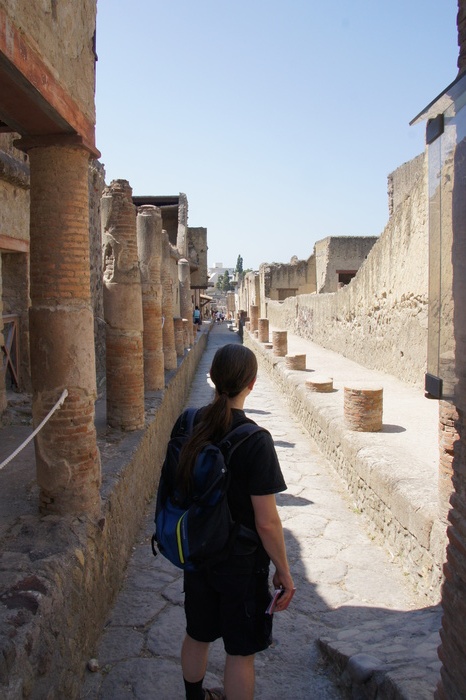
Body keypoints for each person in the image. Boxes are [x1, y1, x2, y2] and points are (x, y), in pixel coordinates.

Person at [172, 344, 294, 700]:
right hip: (240, 563)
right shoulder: (256, 441)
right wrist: (284, 572)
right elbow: (267, 522)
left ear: (211, 378)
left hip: (198, 553)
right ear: (252, 384)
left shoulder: (190, 422)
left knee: (197, 634)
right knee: (240, 652)